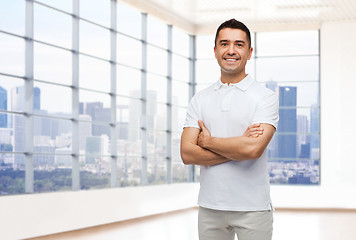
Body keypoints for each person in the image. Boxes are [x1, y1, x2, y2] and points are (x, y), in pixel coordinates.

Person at [180, 19, 279, 240]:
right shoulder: (200, 99)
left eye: (239, 44)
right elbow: (187, 154)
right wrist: (237, 147)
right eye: (224, 44)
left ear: (249, 51)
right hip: (209, 207)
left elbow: (253, 150)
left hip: (253, 208)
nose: (231, 50)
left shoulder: (265, 97)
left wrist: (207, 142)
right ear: (215, 51)